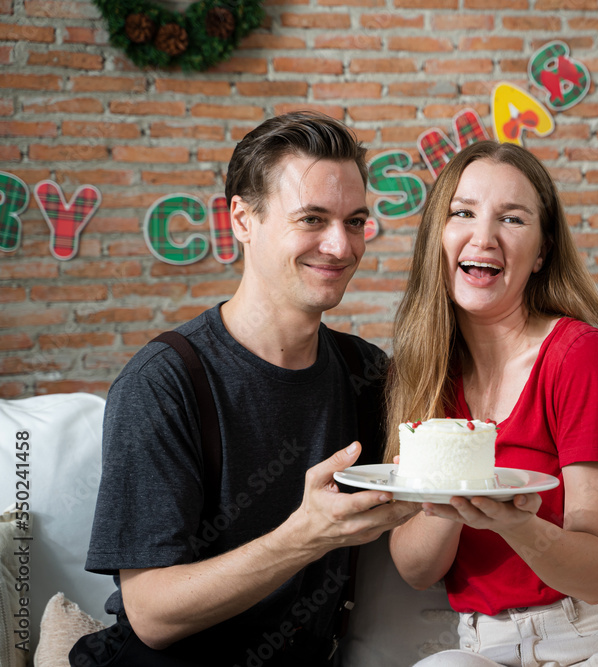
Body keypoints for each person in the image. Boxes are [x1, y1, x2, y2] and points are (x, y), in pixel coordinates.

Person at [73, 111, 418, 667]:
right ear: (242, 218)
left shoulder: (366, 372)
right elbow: (152, 616)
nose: (341, 246)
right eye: (312, 219)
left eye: (356, 221)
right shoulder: (165, 381)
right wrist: (305, 535)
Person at [385, 141, 598, 667]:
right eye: (462, 213)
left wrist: (515, 524)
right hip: (483, 647)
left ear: (541, 252)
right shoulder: (424, 371)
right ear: (435, 238)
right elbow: (417, 570)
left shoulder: (583, 359)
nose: (483, 236)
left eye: (511, 219)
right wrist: (448, 502)